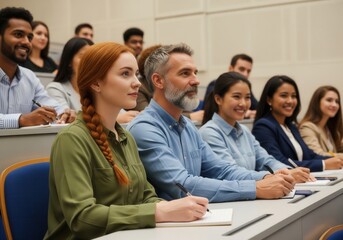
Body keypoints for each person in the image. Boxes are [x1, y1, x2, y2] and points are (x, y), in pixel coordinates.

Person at [44, 42, 209, 239]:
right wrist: (159, 212)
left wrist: (175, 208)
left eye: (136, 74)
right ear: (96, 83)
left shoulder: (126, 136)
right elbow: (82, 218)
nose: (137, 83)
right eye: (125, 74)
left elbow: (146, 195)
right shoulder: (71, 139)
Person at [128, 43, 295, 203]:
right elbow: (182, 185)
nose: (196, 81)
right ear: (158, 81)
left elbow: (220, 169)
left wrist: (267, 177)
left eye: (195, 73)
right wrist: (255, 188)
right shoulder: (145, 128)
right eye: (185, 73)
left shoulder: (187, 126)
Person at [200, 72, 312, 183]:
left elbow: (265, 160)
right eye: (236, 97)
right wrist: (270, 176)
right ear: (218, 99)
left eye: (247, 97)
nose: (243, 103)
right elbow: (230, 172)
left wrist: (288, 171)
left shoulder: (244, 131)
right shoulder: (209, 133)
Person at [0, 7, 75, 129]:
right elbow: (24, 120)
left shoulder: (29, 77)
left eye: (29, 37)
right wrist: (22, 119)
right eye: (18, 34)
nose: (26, 42)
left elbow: (50, 105)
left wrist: (64, 113)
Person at [252, 75, 343, 172]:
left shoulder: (291, 126)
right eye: (284, 95)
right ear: (269, 100)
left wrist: (335, 160)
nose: (290, 101)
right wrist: (323, 164)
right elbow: (278, 162)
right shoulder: (263, 126)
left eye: (293, 96)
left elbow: (310, 155)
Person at [46, 37, 139, 124]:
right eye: (84, 57)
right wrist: (115, 119)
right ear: (69, 62)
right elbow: (63, 118)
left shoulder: (100, 87)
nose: (89, 63)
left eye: (92, 59)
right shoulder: (56, 88)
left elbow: (122, 114)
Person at [203, 54, 257, 118]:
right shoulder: (215, 84)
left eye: (248, 71)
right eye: (241, 69)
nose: (245, 74)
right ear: (231, 68)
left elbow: (258, 108)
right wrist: (244, 113)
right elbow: (211, 110)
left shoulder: (245, 88)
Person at [299, 86, 343, 159]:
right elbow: (317, 154)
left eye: (337, 101)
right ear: (317, 102)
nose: (334, 105)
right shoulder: (307, 127)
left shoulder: (329, 128)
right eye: (329, 100)